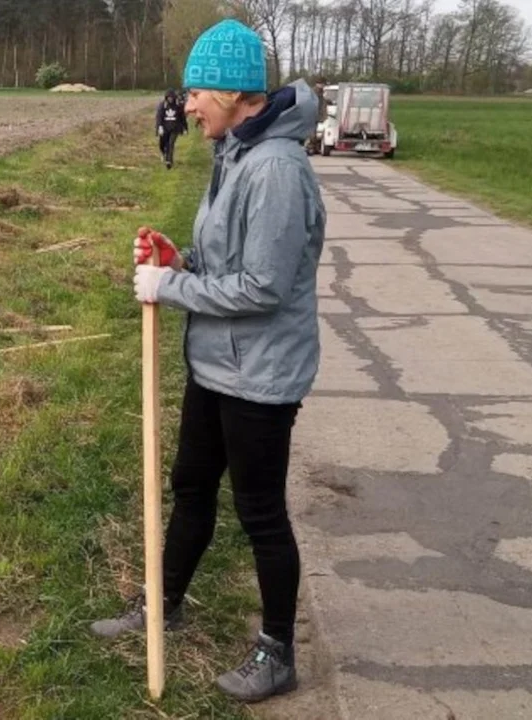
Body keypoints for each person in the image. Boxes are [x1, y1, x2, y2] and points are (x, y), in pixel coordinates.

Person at [90, 18, 326, 704]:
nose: (187, 106)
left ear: (235, 93)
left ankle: (278, 651)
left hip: (261, 374)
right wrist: (180, 259)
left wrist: (171, 288)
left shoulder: (277, 170)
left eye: (197, 92)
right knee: (191, 487)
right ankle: (163, 605)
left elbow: (264, 286)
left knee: (259, 513)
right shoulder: (233, 152)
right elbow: (229, 262)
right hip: (216, 363)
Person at [156, 88, 189, 169]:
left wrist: (185, 128)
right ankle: (164, 153)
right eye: (169, 97)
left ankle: (169, 161)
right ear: (166, 98)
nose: (170, 99)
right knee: (162, 144)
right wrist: (159, 127)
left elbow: (182, 117)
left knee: (171, 144)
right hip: (164, 128)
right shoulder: (162, 105)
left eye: (172, 97)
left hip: (175, 128)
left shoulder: (178, 106)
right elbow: (159, 117)